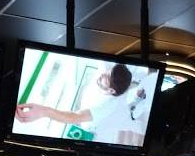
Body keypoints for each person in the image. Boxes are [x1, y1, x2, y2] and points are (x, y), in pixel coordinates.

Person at [14, 63, 151, 147]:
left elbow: (75, 117)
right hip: (124, 101)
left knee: (137, 126)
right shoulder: (111, 76)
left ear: (111, 91)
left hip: (115, 120)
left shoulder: (106, 107)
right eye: (107, 73)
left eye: (106, 78)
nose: (103, 75)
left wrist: (43, 111)